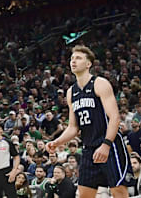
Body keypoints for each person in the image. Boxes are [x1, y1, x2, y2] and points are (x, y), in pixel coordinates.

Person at [47, 45, 130, 198]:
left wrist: (106, 144)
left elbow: (115, 118)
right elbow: (73, 127)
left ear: (88, 64)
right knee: (85, 193)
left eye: (78, 58)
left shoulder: (100, 83)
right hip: (88, 148)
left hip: (109, 146)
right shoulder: (71, 92)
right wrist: (57, 142)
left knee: (119, 192)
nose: (73, 61)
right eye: (72, 58)